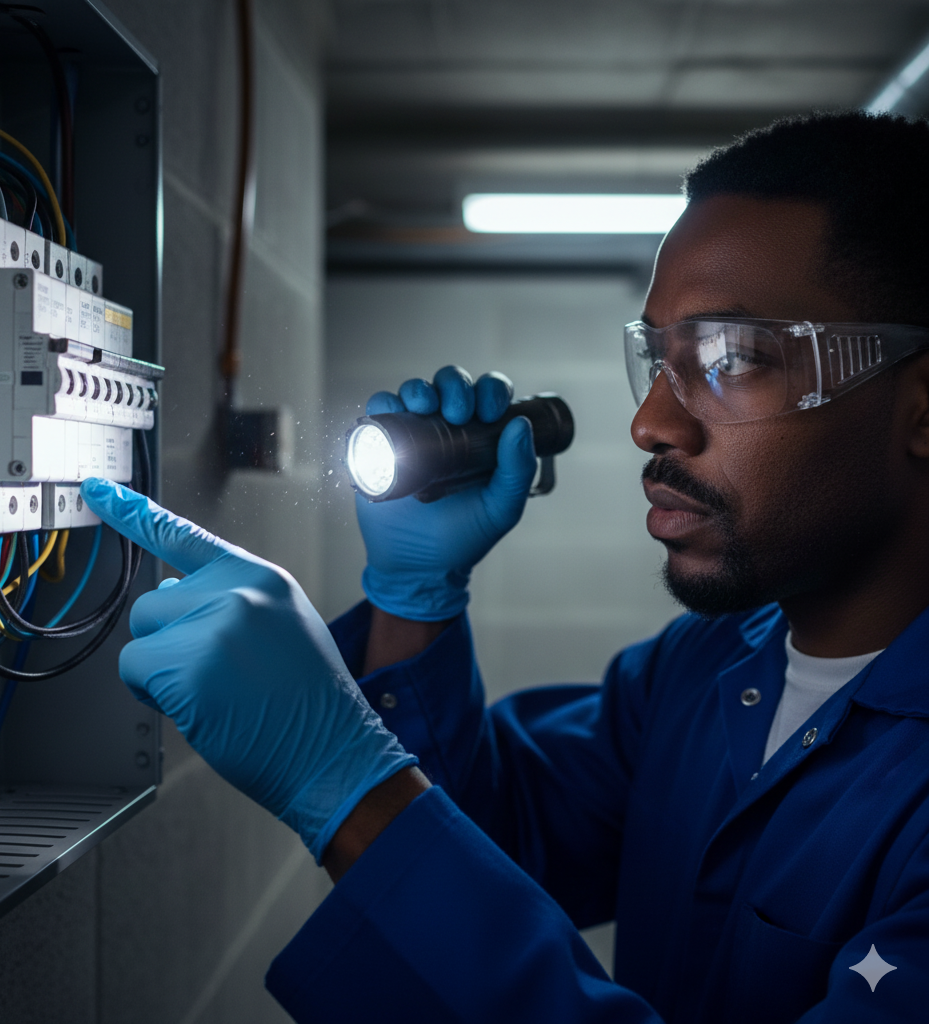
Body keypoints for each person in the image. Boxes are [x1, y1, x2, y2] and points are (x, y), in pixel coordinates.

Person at [82, 110, 929, 1023]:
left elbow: (419, 857)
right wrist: (414, 600)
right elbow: (492, 850)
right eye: (659, 355)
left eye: (734, 357)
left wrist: (345, 783)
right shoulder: (704, 669)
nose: (652, 423)